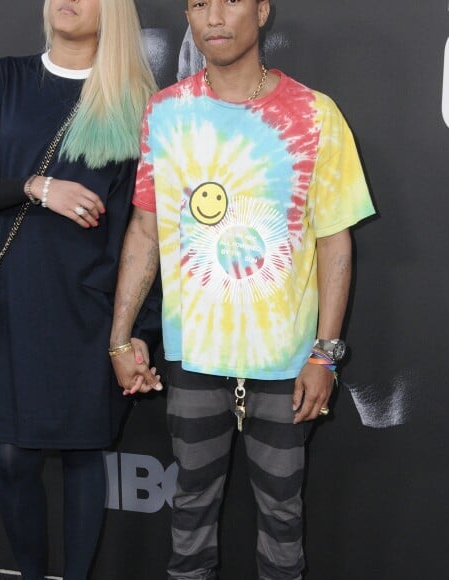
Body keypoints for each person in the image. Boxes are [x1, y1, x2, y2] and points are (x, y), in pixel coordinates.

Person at [109, 0, 375, 578]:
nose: (213, 16)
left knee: (283, 519)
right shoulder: (165, 113)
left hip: (286, 365)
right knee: (189, 517)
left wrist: (324, 354)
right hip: (195, 360)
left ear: (261, 9)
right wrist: (119, 338)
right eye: (199, 3)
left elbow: (335, 242)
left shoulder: (314, 114)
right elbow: (145, 230)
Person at [0, 1, 157, 579]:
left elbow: (145, 230)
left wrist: (135, 331)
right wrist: (38, 186)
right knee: (10, 457)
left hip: (92, 310)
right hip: (17, 306)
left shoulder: (138, 103)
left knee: (81, 455)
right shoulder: (4, 78)